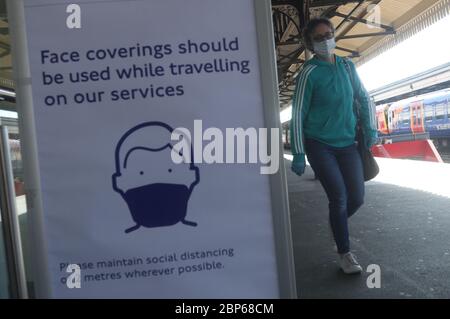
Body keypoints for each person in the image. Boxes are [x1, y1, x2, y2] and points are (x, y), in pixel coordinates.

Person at [290, 18, 377, 274]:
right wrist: (298, 152)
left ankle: (337, 224)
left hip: (348, 144)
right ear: (310, 43)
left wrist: (371, 128)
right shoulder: (309, 73)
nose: (326, 39)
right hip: (320, 145)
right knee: (338, 198)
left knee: (357, 198)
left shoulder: (348, 67)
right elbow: (298, 113)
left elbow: (362, 96)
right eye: (319, 37)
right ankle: (345, 253)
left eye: (329, 34)